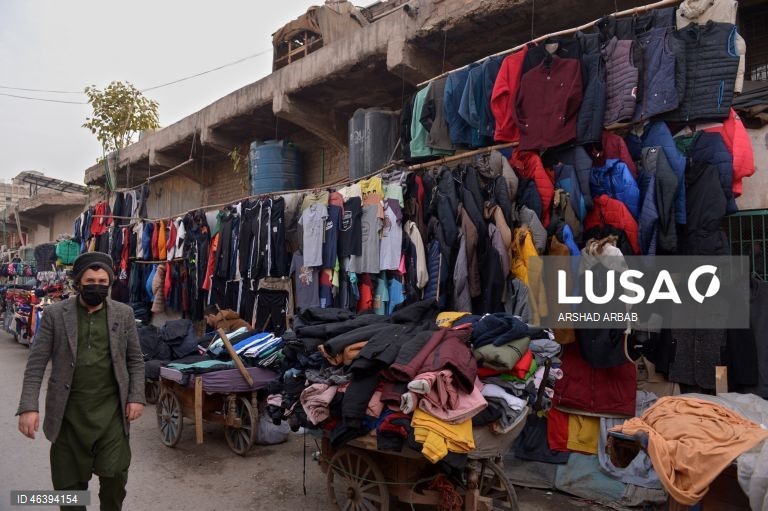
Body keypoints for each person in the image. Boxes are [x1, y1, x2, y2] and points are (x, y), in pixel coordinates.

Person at [17, 252, 145, 511]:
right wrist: (28, 406)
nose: (96, 286)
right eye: (90, 281)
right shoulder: (55, 314)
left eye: (102, 281)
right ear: (78, 282)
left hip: (111, 414)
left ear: (109, 283)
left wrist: (136, 396)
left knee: (115, 476)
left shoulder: (124, 314)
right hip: (68, 416)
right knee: (68, 489)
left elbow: (135, 360)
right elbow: (36, 364)